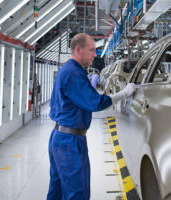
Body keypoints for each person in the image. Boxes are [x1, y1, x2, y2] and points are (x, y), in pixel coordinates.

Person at [47, 33, 136, 200]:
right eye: (92, 50)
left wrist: (87, 83)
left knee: (57, 190)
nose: (95, 54)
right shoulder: (74, 73)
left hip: (59, 137)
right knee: (77, 193)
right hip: (70, 142)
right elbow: (95, 103)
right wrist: (123, 93)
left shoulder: (67, 70)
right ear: (78, 50)